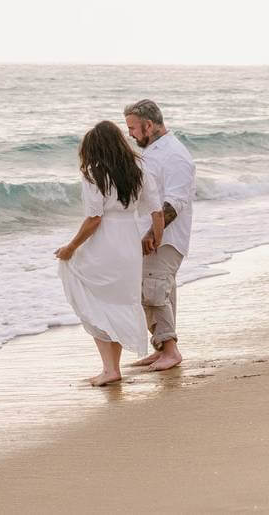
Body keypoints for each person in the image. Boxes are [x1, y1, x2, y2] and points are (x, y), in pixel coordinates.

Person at [55, 120, 165, 386]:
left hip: (104, 245)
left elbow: (94, 218)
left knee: (94, 299)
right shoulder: (139, 169)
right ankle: (111, 369)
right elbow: (157, 212)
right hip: (128, 245)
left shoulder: (94, 173)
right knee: (119, 302)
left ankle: (110, 369)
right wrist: (155, 240)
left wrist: (70, 247)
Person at [123, 99, 195, 371]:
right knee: (160, 291)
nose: (130, 133)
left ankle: (171, 351)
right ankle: (163, 348)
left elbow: (176, 202)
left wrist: (154, 233)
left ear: (149, 125)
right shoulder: (155, 151)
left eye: (133, 128)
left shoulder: (174, 155)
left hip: (166, 237)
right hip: (153, 234)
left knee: (152, 292)